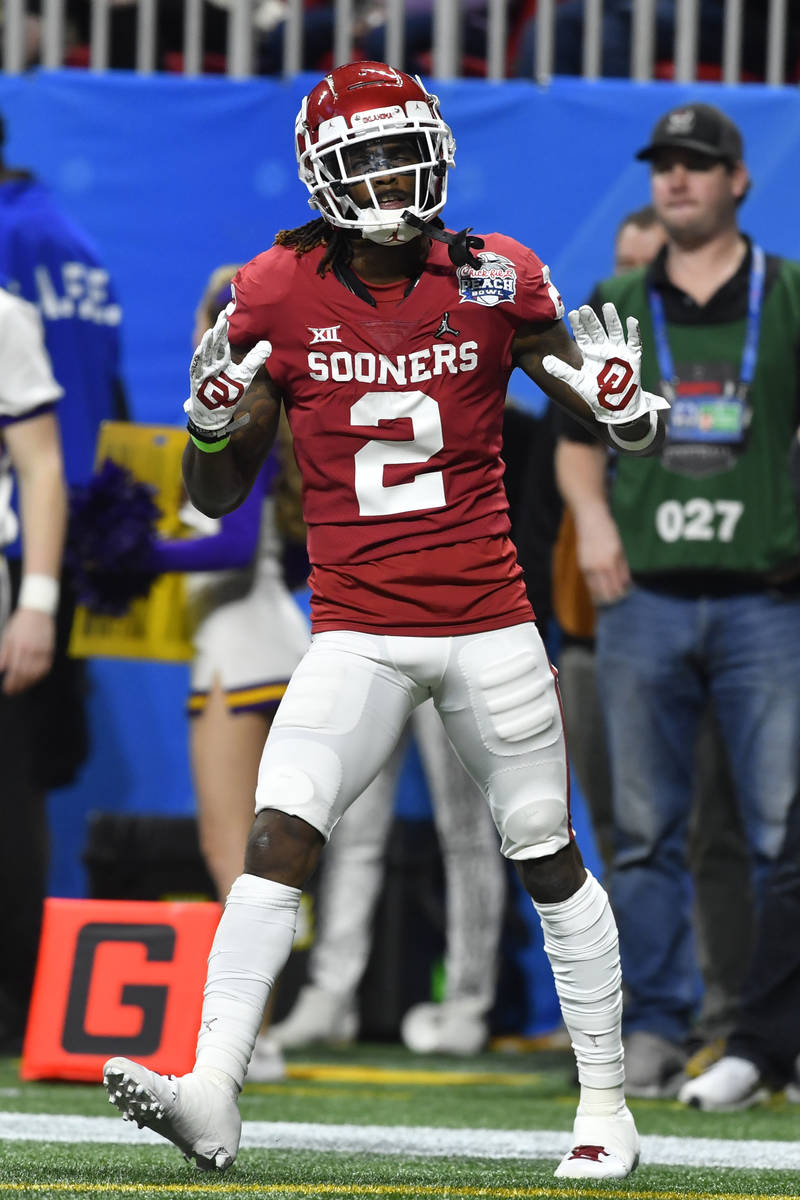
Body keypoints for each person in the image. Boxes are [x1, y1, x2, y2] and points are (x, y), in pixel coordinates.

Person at [101, 60, 671, 1181]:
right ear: (322, 173)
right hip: (354, 628)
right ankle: (213, 1092)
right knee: (280, 834)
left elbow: (619, 421)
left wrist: (628, 408)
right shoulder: (270, 290)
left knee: (544, 855)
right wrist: (213, 432)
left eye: (401, 147)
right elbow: (218, 496)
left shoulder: (495, 275)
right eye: (362, 154)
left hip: (487, 621)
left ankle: (606, 1106)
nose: (389, 174)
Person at [553, 101, 800, 1100]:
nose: (676, 178)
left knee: (779, 833)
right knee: (642, 832)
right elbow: (572, 447)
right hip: (644, 598)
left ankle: (760, 1034)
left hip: (765, 602)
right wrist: (596, 525)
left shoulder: (785, 296)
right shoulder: (613, 297)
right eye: (663, 165)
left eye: (698, 164)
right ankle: (652, 1030)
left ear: (738, 180)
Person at [554, 203, 752, 1072]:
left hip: (719, 601)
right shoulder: (580, 362)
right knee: (631, 830)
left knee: (735, 824)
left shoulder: (720, 352)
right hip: (600, 625)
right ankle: (647, 1018)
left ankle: (735, 1013)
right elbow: (547, 493)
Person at [0, 115, 124, 1053]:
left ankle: (10, 1012)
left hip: (18, 564)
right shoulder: (67, 241)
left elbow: (42, 464)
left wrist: (38, 598)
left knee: (12, 791)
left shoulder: (10, 288)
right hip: (61, 541)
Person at [267, 694, 507, 1057]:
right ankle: (330, 997)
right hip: (375, 645)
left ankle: (467, 1006)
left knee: (466, 832)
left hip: (451, 642)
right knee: (351, 835)